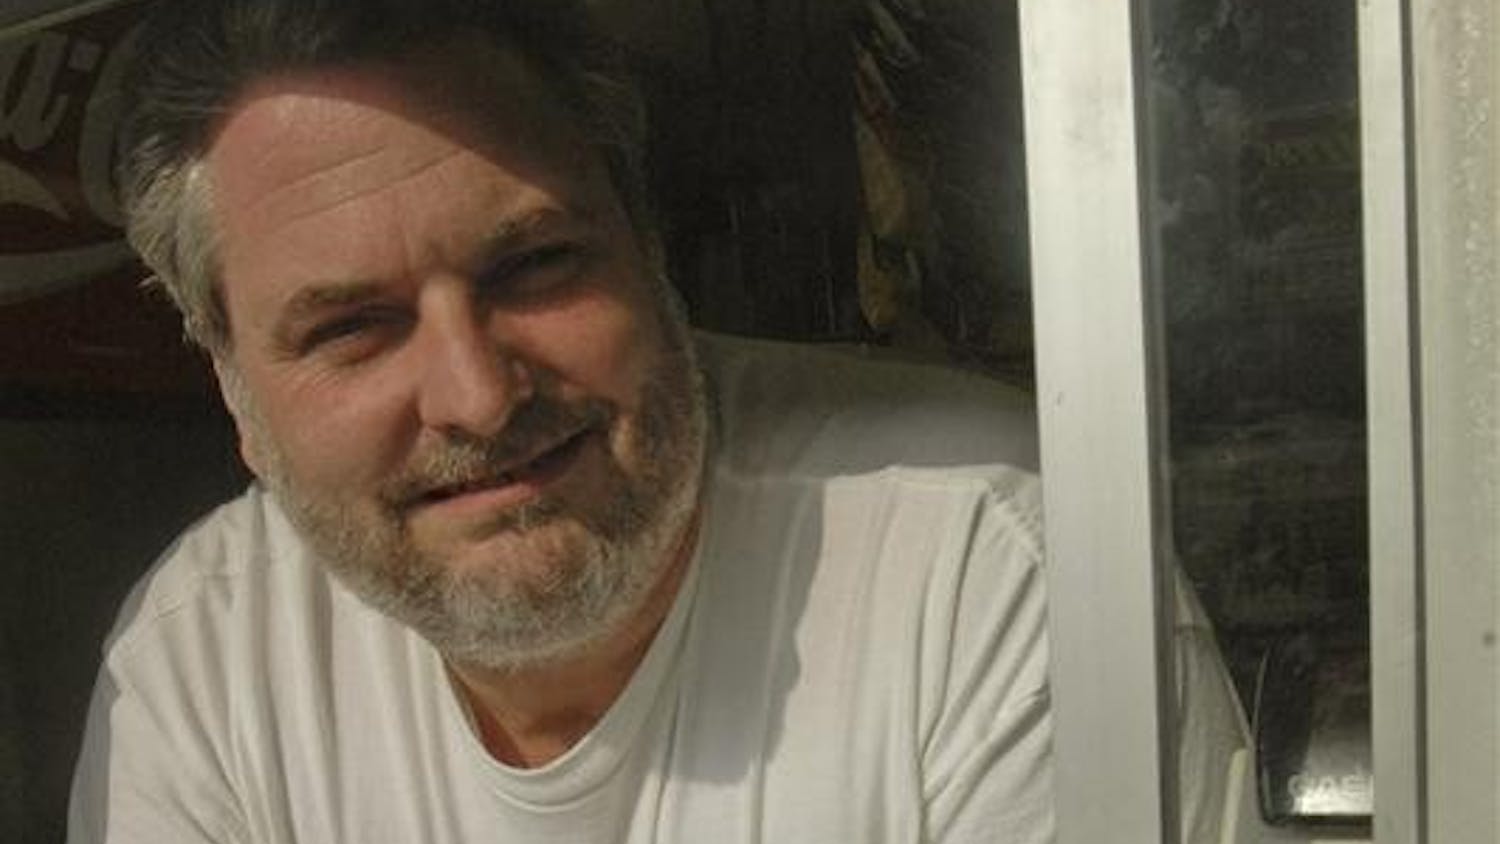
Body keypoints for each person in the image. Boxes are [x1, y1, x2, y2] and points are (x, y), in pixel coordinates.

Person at [69, 1, 1246, 842]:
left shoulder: (985, 556)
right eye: (352, 330)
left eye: (533, 265)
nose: (478, 394)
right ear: (233, 390)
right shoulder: (202, 669)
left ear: (652, 250)